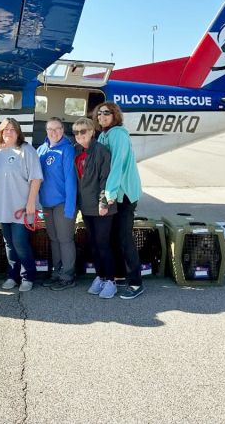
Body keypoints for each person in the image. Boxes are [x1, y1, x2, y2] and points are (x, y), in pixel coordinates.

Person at [93, 101, 145, 300]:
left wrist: (108, 195)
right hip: (116, 194)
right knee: (115, 237)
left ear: (115, 115)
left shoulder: (118, 134)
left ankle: (136, 283)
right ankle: (122, 275)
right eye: (99, 114)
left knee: (124, 239)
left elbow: (117, 165)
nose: (102, 116)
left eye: (106, 113)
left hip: (123, 195)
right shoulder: (105, 134)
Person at [0, 118, 43, 292]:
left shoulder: (26, 150)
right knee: (9, 243)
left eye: (13, 129)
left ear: (19, 132)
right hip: (3, 206)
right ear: (0, 132)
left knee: (20, 242)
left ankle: (28, 276)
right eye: (6, 129)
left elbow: (36, 178)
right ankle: (12, 275)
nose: (9, 132)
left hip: (22, 207)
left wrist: (31, 203)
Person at [72, 117, 118, 299]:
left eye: (83, 131)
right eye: (76, 132)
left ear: (92, 132)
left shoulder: (101, 151)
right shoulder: (76, 151)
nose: (80, 135)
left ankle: (111, 281)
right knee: (94, 245)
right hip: (87, 206)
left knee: (104, 245)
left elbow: (105, 179)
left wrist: (103, 202)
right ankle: (100, 276)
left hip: (101, 207)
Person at [36, 117, 77, 291]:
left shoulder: (67, 150)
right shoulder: (41, 149)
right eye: (50, 129)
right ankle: (56, 272)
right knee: (54, 239)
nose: (54, 132)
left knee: (65, 239)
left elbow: (70, 180)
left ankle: (68, 276)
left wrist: (70, 206)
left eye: (58, 128)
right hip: (46, 204)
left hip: (62, 203)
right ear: (46, 131)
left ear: (63, 130)